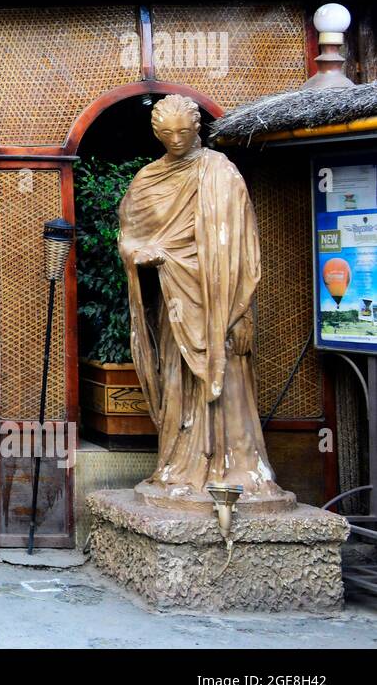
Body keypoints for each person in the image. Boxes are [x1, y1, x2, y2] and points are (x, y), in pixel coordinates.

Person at [117, 94, 292, 508]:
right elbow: (129, 239)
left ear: (197, 128)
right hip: (176, 304)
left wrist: (238, 308)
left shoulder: (221, 173)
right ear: (156, 134)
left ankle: (237, 468)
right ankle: (179, 465)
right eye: (166, 133)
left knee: (228, 381)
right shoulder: (147, 180)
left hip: (220, 303)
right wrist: (140, 255)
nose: (176, 140)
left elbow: (241, 247)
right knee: (178, 381)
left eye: (183, 131)